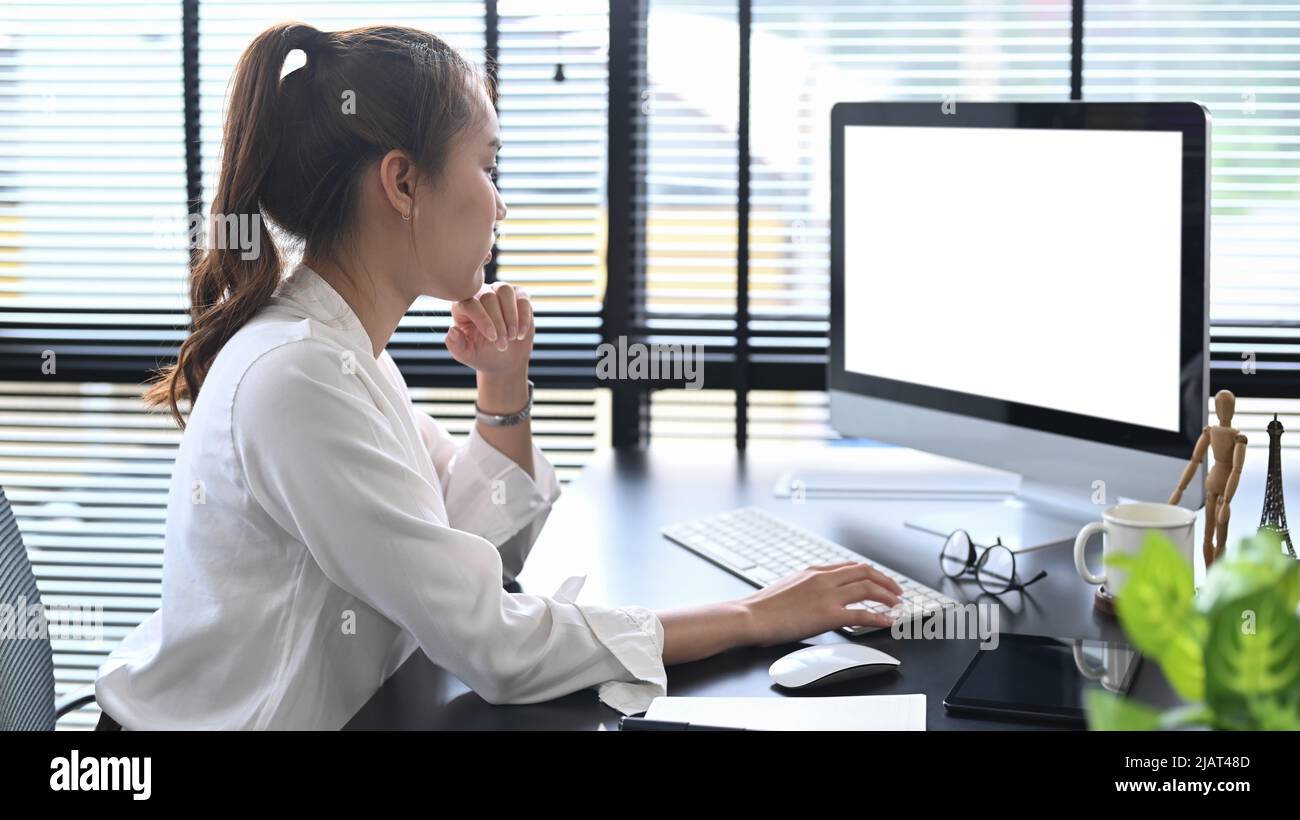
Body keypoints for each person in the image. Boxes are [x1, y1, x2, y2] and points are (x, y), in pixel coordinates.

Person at [93, 22, 903, 730]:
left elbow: (467, 549)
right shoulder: (298, 376)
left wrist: (503, 390)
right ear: (403, 182)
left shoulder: (342, 352)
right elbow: (493, 643)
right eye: (487, 165)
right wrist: (756, 615)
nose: (502, 206)